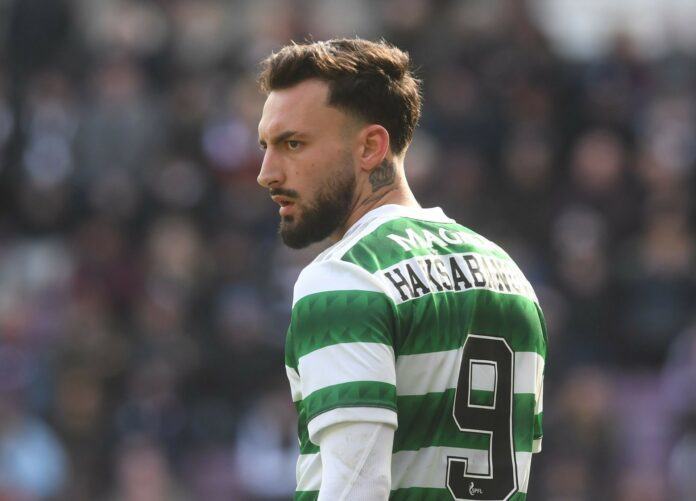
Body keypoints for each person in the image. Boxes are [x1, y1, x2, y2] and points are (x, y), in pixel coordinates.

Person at [256, 38, 547, 501]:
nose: (267, 173)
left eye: (293, 144)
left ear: (371, 147)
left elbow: (358, 487)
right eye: (266, 146)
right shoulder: (509, 277)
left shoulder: (346, 278)